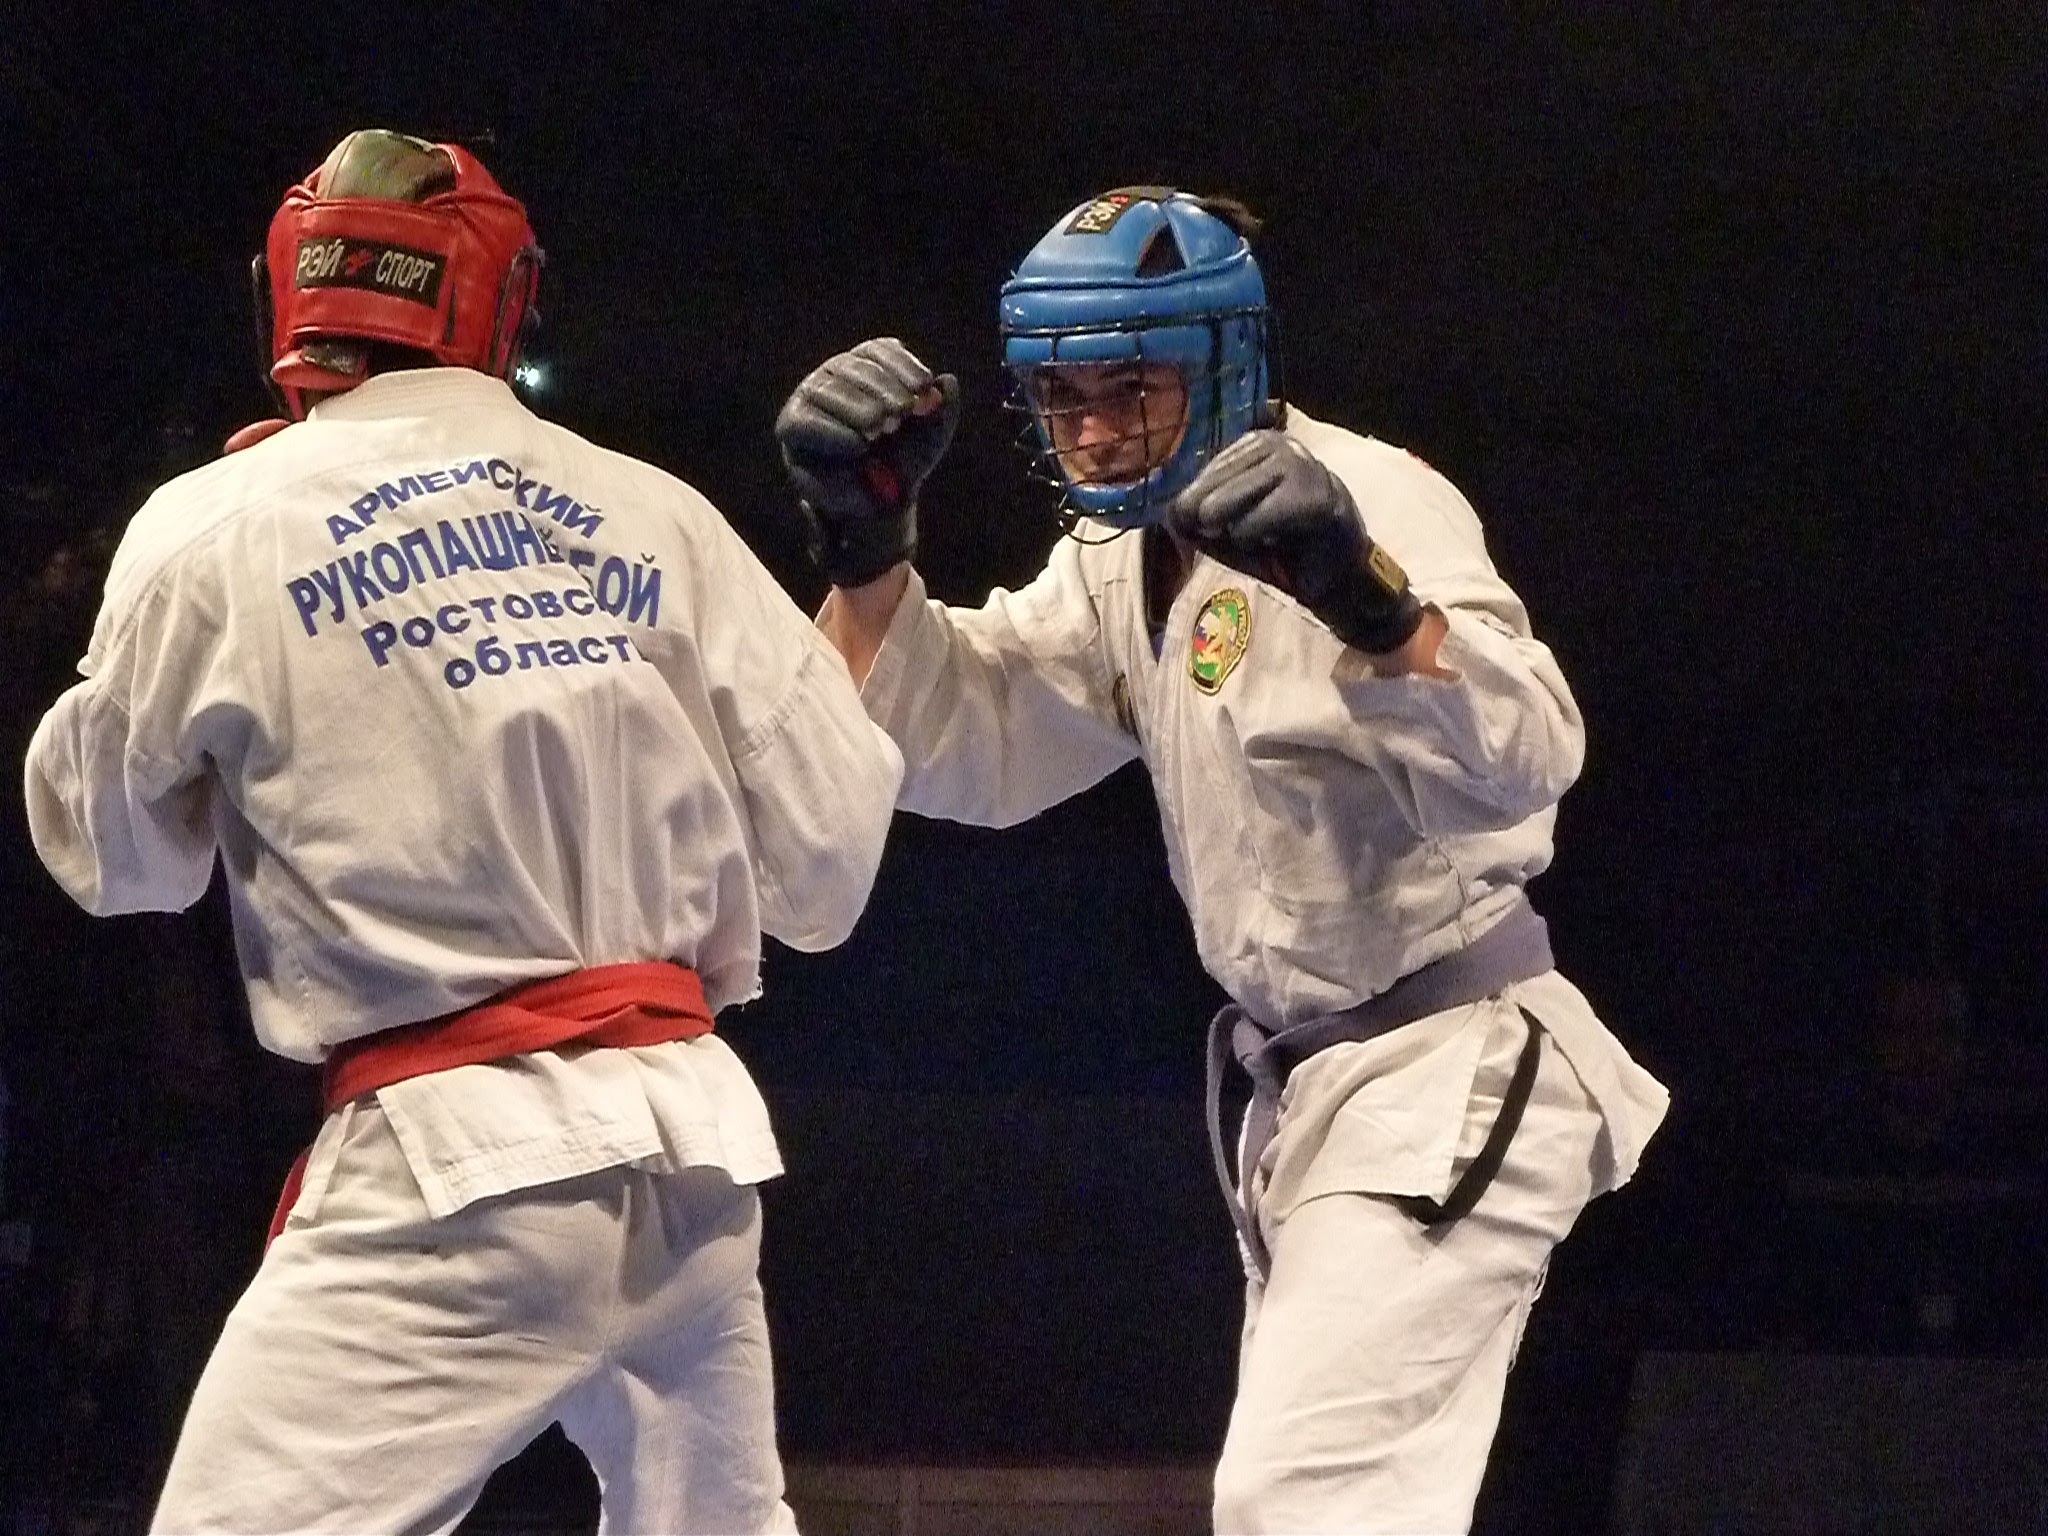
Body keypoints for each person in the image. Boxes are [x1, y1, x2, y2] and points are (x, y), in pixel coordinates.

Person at [24, 127, 903, 1535]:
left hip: (458, 1171)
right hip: (689, 1161)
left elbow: (117, 862)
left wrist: (135, 633)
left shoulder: (217, 523)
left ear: (288, 295)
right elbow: (832, 868)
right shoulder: (656, 512)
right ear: (503, 299)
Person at [775, 186, 1670, 1534]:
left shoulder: (1375, 496)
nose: (1091, 430)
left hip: (1448, 1060)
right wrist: (867, 553)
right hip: (1307, 1094)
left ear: (1225, 361)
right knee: (1330, 1505)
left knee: (1295, 1498)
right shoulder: (1123, 550)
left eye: (1127, 391)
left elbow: (1534, 756)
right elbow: (974, 737)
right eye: (1062, 398)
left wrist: (1368, 596)